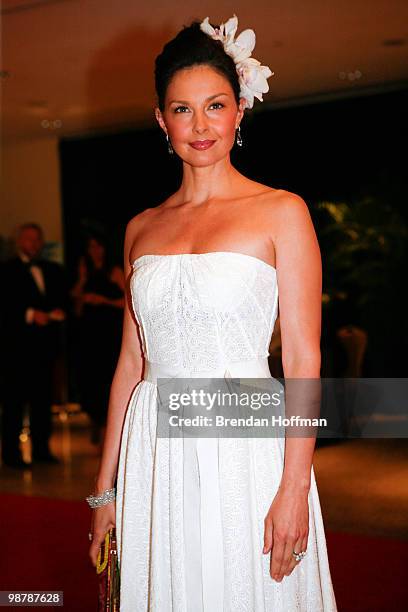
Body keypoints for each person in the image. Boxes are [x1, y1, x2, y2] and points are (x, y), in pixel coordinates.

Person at [87, 15, 338, 611]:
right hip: (154, 449)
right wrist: (105, 493)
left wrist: (294, 486)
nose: (200, 126)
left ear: (240, 110)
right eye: (181, 110)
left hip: (244, 444)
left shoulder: (282, 212)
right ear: (160, 119)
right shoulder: (140, 229)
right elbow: (130, 364)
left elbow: (304, 358)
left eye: (215, 105)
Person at [0, 223, 68, 468]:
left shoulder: (52, 270)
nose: (34, 244)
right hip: (16, 350)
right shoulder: (6, 271)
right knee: (14, 402)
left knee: (42, 400)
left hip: (45, 348)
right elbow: (5, 308)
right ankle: (11, 453)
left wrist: (58, 311)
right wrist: (30, 314)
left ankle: (41, 449)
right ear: (19, 241)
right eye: (29, 239)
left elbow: (62, 298)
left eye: (38, 239)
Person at [70, 235, 125, 447]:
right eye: (90, 246)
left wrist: (104, 300)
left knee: (107, 377)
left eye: (98, 246)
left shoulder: (114, 271)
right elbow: (76, 308)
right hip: (89, 334)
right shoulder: (84, 271)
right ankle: (96, 421)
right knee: (90, 379)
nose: (94, 250)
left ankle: (106, 427)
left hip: (109, 333)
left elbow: (126, 302)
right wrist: (82, 281)